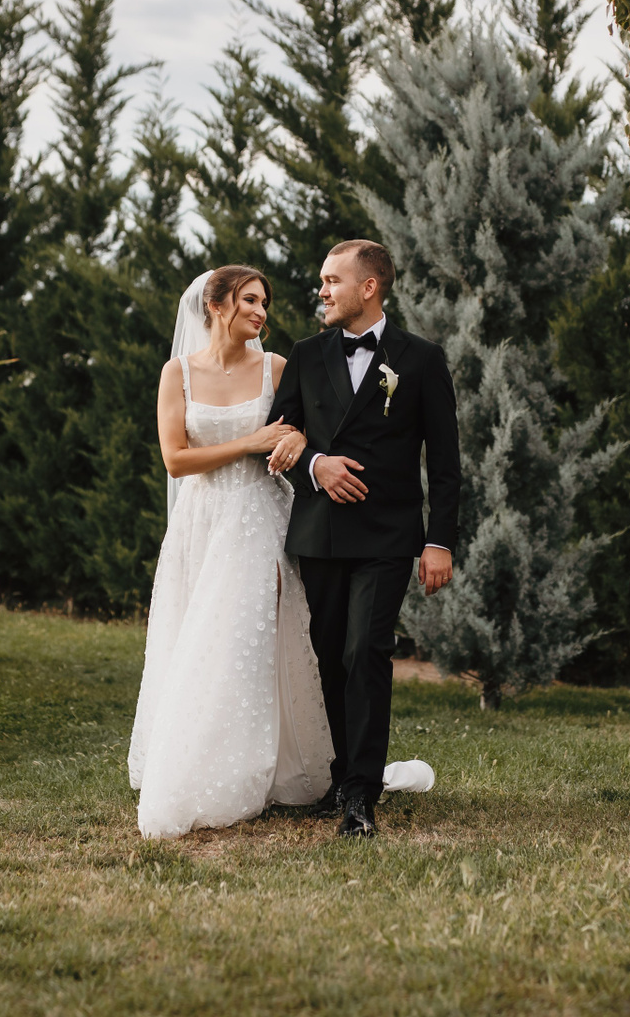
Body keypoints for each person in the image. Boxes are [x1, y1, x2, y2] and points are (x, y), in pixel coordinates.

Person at [127, 266, 333, 839]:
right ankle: (197, 761)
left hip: (261, 517)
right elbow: (175, 459)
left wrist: (295, 439)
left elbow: (309, 431)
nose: (261, 312)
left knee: (248, 636)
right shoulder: (177, 373)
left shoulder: (277, 368)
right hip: (200, 520)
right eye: (249, 300)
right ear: (215, 306)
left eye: (264, 302)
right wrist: (250, 441)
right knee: (198, 637)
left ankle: (264, 768)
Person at [266, 239, 462, 838]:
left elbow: (445, 462)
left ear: (369, 287)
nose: (322, 290)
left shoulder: (421, 359)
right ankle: (339, 776)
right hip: (320, 532)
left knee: (364, 651)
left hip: (387, 536)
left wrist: (439, 542)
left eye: (333, 280)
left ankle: (360, 794)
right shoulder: (307, 354)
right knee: (329, 655)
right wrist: (315, 465)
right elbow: (276, 435)